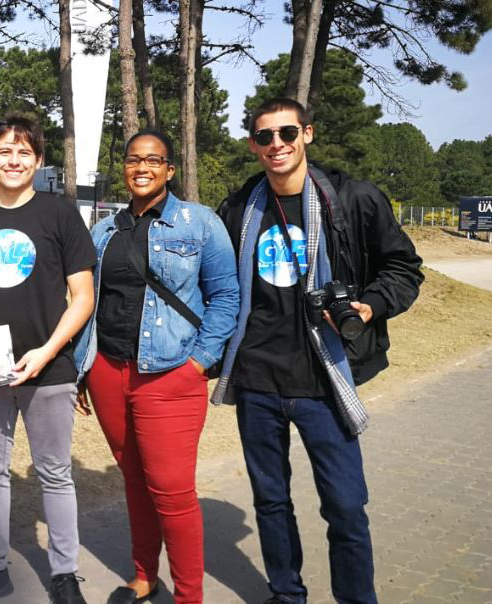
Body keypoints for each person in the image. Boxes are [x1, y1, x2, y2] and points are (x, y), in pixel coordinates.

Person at [212, 97, 424, 604]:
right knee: (270, 501)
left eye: (287, 133)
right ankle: (287, 595)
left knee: (347, 508)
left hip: (324, 379)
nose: (276, 145)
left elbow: (404, 269)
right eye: (264, 137)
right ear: (253, 146)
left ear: (307, 133)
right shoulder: (240, 206)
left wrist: (368, 307)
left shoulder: (353, 200)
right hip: (257, 378)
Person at [72, 130, 239, 604]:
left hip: (170, 374)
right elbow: (90, 301)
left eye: (153, 160)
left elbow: (226, 297)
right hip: (109, 371)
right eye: (133, 159)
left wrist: (199, 362)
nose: (141, 167)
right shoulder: (104, 230)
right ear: (124, 167)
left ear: (169, 170)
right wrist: (85, 367)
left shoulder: (200, 223)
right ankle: (144, 576)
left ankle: (189, 595)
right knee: (134, 480)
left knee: (171, 489)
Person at [0, 114, 95, 604]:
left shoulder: (59, 215)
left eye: (24, 152)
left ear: (39, 160)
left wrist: (48, 350)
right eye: (4, 151)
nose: (13, 160)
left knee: (54, 471)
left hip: (48, 367)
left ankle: (65, 573)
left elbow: (83, 296)